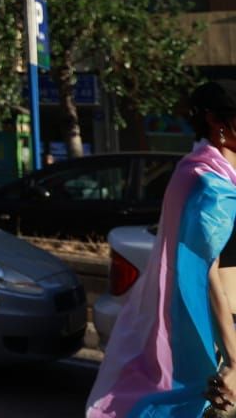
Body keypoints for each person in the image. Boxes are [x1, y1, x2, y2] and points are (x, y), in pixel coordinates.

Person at [87, 80, 236, 418]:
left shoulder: (223, 177)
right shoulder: (207, 181)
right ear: (217, 122)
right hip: (223, 337)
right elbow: (203, 270)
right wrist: (233, 360)